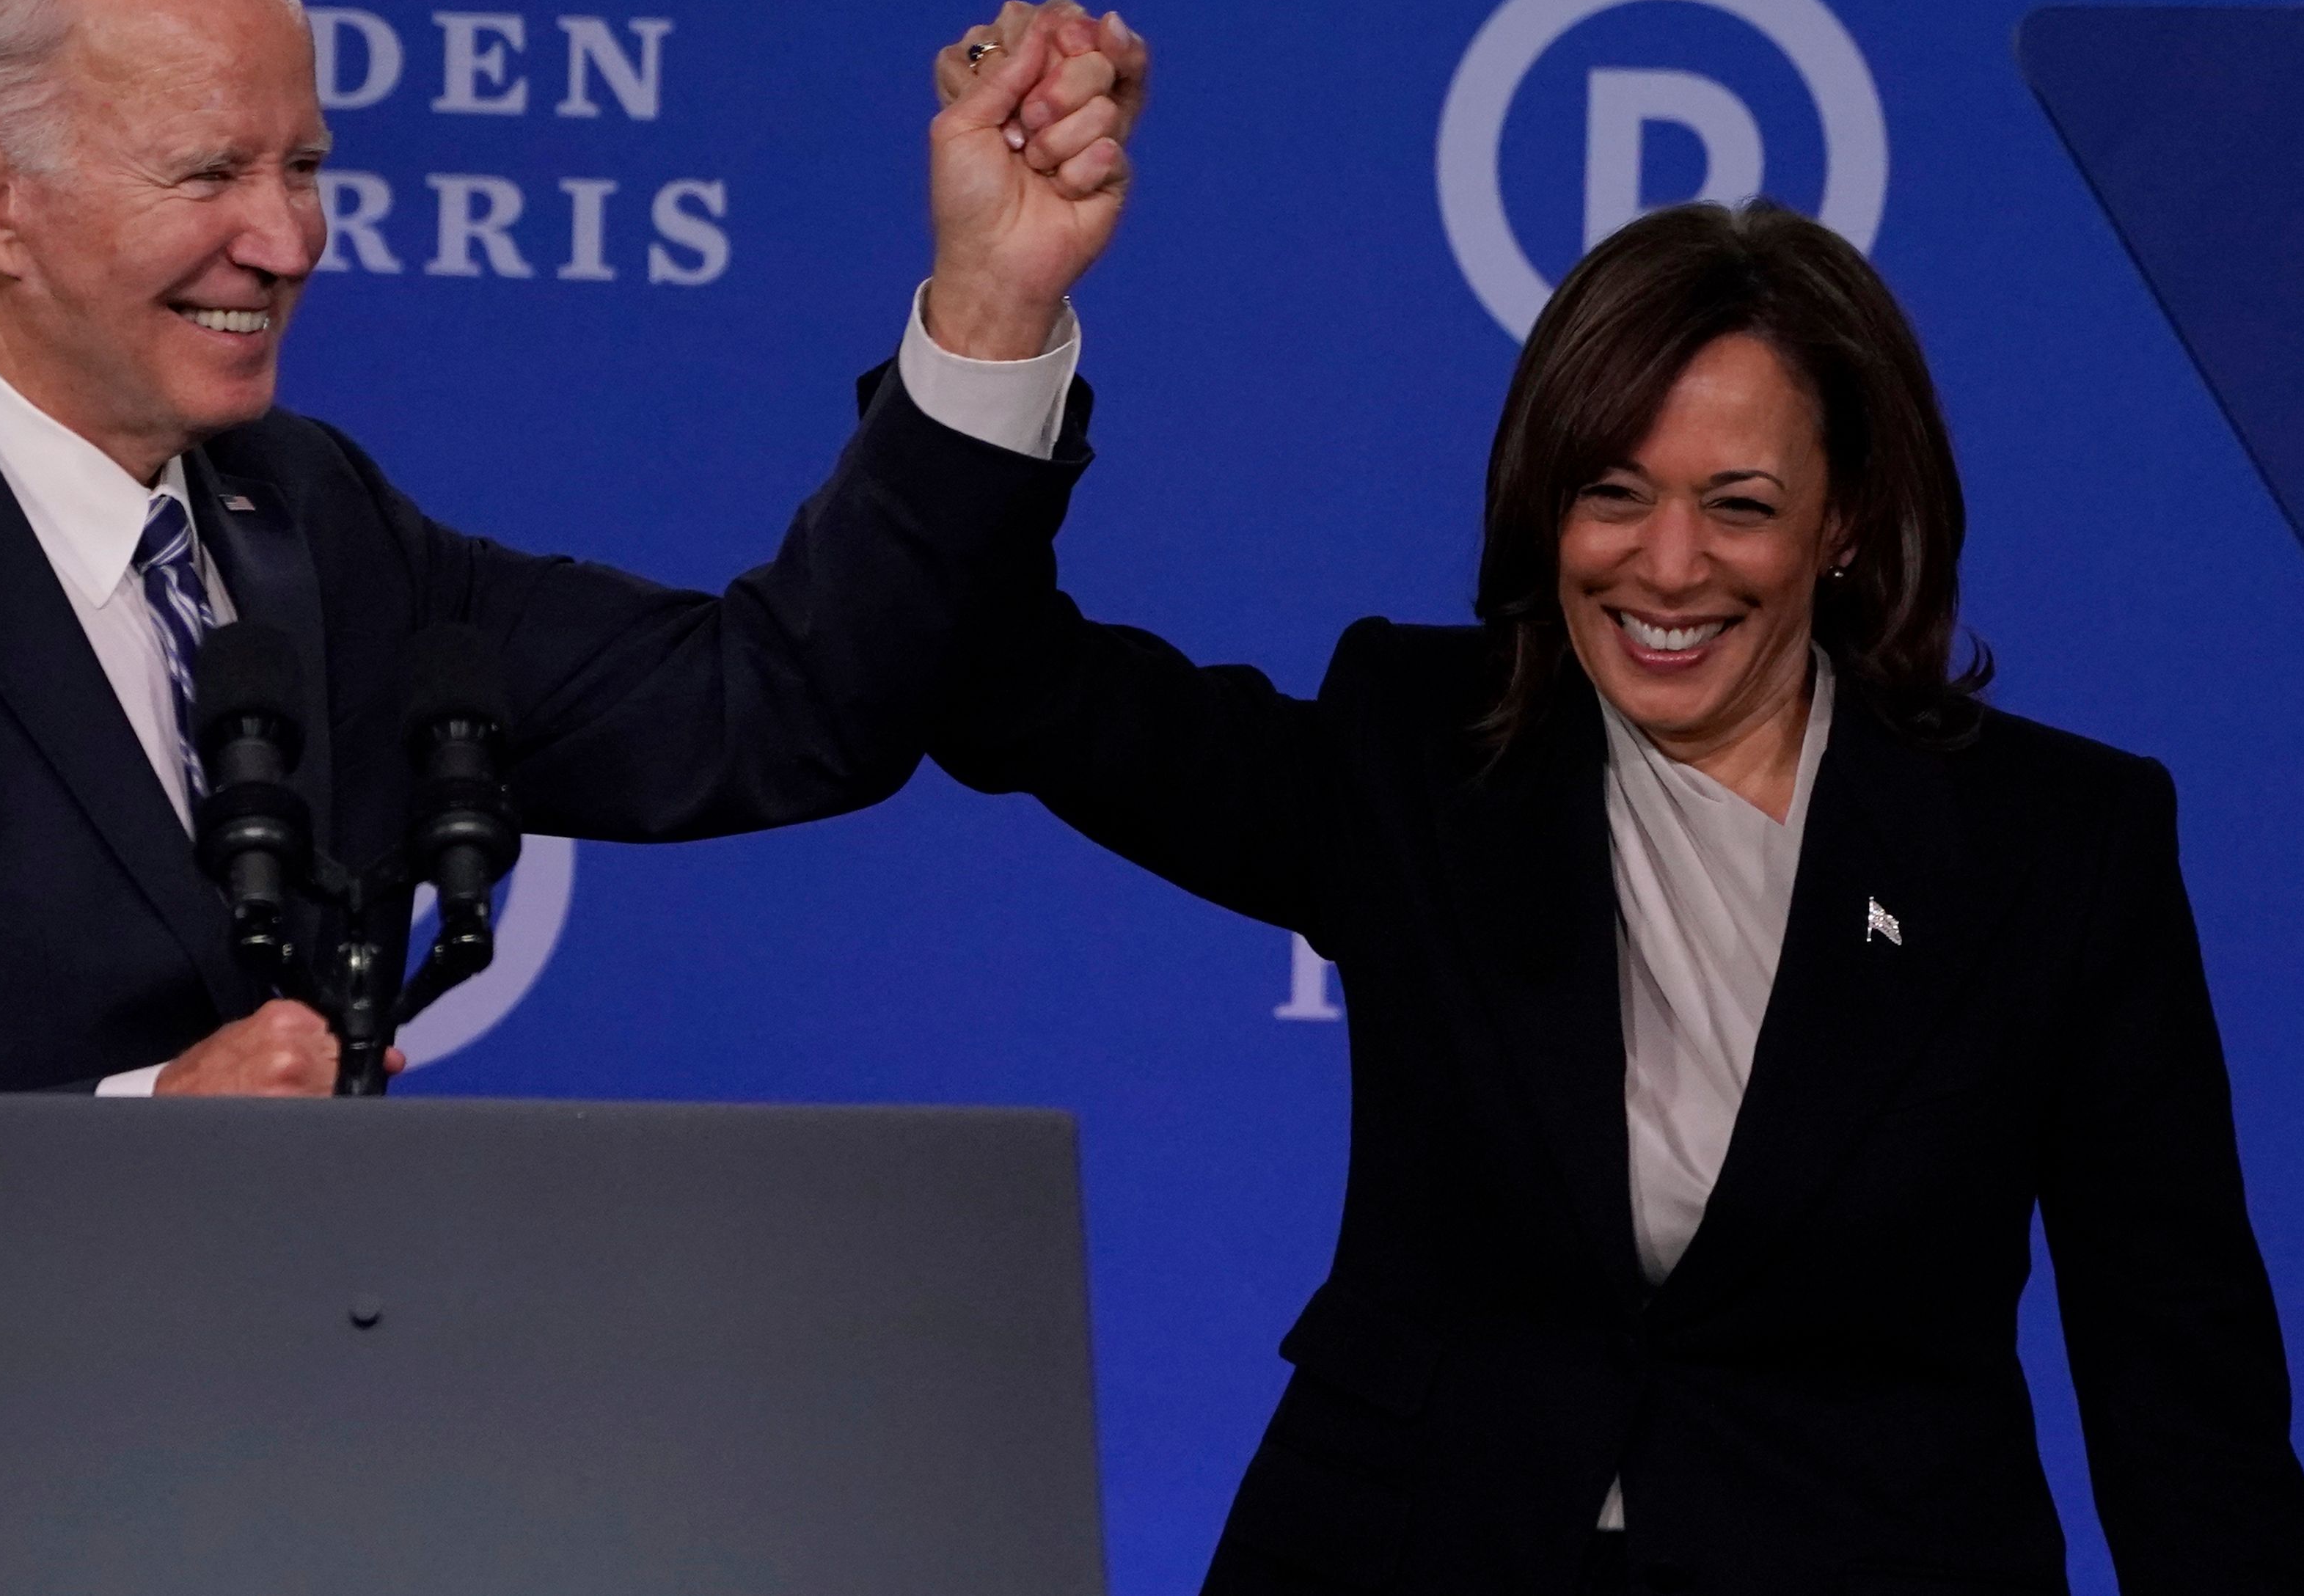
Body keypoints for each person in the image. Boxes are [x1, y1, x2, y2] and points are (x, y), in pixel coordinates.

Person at [0, 0, 1146, 1325]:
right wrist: (129, 1145)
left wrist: (992, 307)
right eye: (210, 171)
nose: (286, 235)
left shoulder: (313, 520)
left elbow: (778, 705)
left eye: (303, 163)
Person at [927, 200, 2304, 1594]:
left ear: (1848, 517)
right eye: (1614, 491)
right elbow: (986, 675)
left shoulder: (2056, 847)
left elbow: (2177, 1372)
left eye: (1740, 504)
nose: (1667, 565)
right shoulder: (1418, 754)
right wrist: (999, 302)